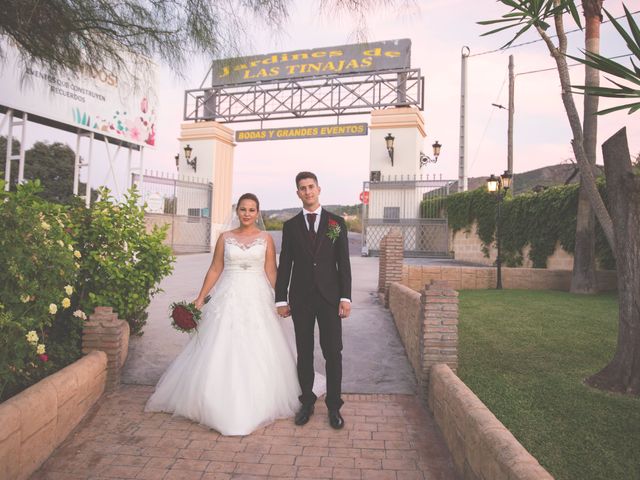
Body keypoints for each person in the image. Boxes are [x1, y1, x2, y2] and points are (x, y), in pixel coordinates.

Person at [145, 193, 302, 436]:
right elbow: (215, 268)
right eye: (243, 209)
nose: (247, 214)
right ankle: (215, 402)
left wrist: (282, 299)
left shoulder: (266, 239)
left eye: (251, 210)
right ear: (237, 211)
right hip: (227, 295)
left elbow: (272, 270)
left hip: (257, 298)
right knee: (219, 345)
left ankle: (258, 401)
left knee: (258, 346)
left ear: (258, 213)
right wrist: (199, 299)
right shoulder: (225, 238)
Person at [275, 171, 352, 429]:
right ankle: (306, 403)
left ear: (319, 189)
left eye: (311, 187)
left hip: (330, 298)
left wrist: (345, 297)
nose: (307, 192)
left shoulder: (335, 223)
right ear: (298, 193)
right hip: (302, 299)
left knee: (333, 352)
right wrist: (280, 299)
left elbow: (344, 263)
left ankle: (333, 407)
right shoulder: (291, 226)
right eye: (302, 188)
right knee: (304, 353)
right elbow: (285, 264)